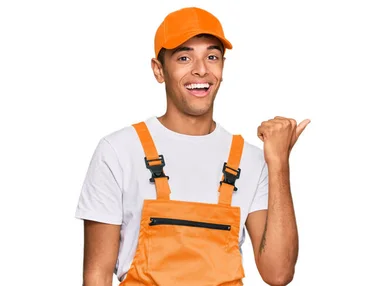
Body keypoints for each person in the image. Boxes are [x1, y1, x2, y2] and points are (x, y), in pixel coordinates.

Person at [74, 6, 309, 286]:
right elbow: (96, 274)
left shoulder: (251, 160)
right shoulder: (118, 151)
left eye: (212, 57)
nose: (201, 70)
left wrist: (279, 163)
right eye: (184, 57)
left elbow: (279, 274)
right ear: (159, 70)